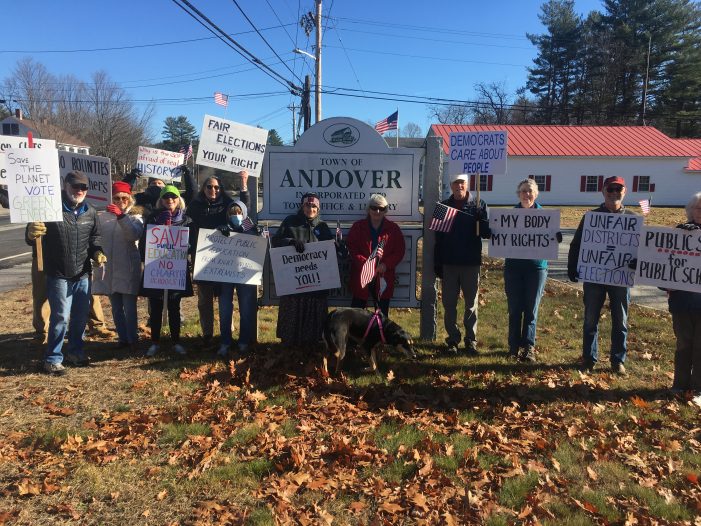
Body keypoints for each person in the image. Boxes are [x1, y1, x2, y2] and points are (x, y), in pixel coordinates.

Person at [25, 171, 105, 375]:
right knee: (60, 317)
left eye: (83, 187)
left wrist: (98, 253)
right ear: (65, 186)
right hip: (58, 273)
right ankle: (52, 358)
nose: (79, 190)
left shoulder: (91, 212)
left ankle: (75, 352)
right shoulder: (48, 208)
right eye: (75, 186)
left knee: (79, 317)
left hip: (82, 274)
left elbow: (95, 239)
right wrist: (30, 232)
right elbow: (32, 238)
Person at [567, 176, 637, 374]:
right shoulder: (591, 216)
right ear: (603, 191)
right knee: (590, 319)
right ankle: (589, 358)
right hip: (594, 277)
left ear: (624, 192)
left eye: (618, 189)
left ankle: (617, 361)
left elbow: (641, 250)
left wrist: (637, 261)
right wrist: (572, 267)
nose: (614, 193)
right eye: (610, 189)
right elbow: (576, 244)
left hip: (621, 278)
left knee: (620, 320)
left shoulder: (633, 218)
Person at [272, 193, 340, 347]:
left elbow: (329, 252)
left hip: (316, 285)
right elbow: (276, 241)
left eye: (314, 206)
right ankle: (289, 347)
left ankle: (311, 348)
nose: (311, 208)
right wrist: (291, 241)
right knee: (292, 315)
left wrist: (334, 247)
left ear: (318, 208)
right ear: (302, 206)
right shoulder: (290, 222)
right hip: (293, 283)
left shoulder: (322, 227)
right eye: (307, 205)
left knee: (313, 320)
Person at [188, 171, 249, 344]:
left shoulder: (227, 203)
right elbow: (188, 226)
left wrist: (243, 183)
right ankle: (207, 333)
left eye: (217, 187)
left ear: (221, 189)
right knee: (204, 299)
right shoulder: (195, 205)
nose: (213, 190)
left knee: (224, 297)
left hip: (225, 257)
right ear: (204, 188)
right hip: (202, 257)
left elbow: (244, 210)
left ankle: (226, 331)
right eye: (209, 187)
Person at [504, 178, 560, 362]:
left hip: (536, 269)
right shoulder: (508, 217)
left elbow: (551, 239)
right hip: (513, 268)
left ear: (536, 194)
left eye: (530, 191)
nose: (527, 194)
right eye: (523, 191)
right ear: (518, 194)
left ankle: (528, 347)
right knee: (514, 309)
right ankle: (513, 346)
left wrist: (555, 236)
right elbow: (500, 236)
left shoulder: (546, 217)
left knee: (531, 309)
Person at [434, 173, 491, 355]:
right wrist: (438, 262)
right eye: (456, 183)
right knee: (449, 304)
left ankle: (470, 339)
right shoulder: (443, 206)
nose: (459, 186)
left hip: (470, 262)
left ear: (467, 185)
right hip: (449, 263)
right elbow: (438, 238)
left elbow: (486, 234)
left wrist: (482, 219)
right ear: (451, 186)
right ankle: (452, 339)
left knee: (471, 304)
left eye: (462, 183)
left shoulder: (479, 204)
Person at [139, 185, 194, 357]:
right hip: (156, 269)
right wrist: (159, 225)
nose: (170, 200)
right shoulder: (152, 218)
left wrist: (187, 245)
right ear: (160, 200)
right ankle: (155, 342)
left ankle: (176, 342)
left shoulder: (187, 220)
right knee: (155, 307)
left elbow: (191, 244)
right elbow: (143, 245)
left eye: (173, 197)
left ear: (179, 200)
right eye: (166, 197)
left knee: (174, 306)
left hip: (175, 270)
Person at [92, 181, 144, 352]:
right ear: (111, 199)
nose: (121, 200)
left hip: (128, 267)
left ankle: (133, 338)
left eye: (124, 197)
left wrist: (121, 217)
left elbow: (133, 235)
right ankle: (122, 338)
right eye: (117, 197)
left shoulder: (136, 217)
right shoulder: (102, 217)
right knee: (115, 307)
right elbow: (96, 238)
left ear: (129, 199)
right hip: (109, 268)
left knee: (129, 307)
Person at [347, 194, 405, 317]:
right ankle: (354, 336)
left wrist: (385, 264)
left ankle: (380, 336)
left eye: (381, 208)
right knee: (356, 314)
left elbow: (399, 251)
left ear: (386, 210)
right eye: (374, 208)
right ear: (368, 209)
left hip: (383, 275)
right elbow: (351, 248)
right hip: (362, 274)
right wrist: (366, 264)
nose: (377, 211)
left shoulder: (393, 229)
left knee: (382, 316)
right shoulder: (358, 227)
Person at [668, 192, 701, 400]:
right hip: (682, 302)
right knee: (684, 344)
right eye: (699, 208)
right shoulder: (679, 233)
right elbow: (664, 265)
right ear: (691, 211)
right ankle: (679, 385)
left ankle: (698, 388)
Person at [215, 199, 259, 358]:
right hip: (225, 274)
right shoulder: (222, 228)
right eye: (233, 213)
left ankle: (243, 342)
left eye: (239, 213)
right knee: (225, 309)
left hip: (245, 274)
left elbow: (258, 246)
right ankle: (225, 341)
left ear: (244, 214)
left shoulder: (251, 228)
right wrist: (219, 231)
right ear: (228, 215)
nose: (236, 216)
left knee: (246, 308)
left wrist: (257, 234)